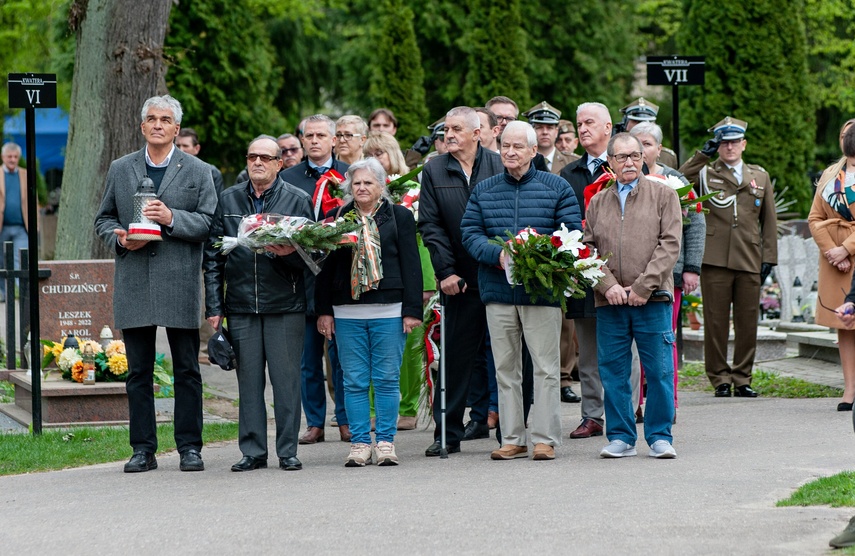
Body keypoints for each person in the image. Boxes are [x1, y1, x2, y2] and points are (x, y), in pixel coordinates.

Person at [94, 95, 217, 473]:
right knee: (138, 372)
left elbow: (208, 224)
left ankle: (190, 447)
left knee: (186, 370)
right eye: (152, 119)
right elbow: (103, 219)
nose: (158, 124)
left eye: (166, 119)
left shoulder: (199, 171)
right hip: (135, 280)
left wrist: (170, 217)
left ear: (177, 129)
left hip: (179, 282)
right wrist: (117, 237)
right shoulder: (121, 167)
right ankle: (143, 449)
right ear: (143, 127)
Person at [461, 121, 582, 461]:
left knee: (545, 367)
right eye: (505, 146)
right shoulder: (484, 190)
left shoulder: (556, 187)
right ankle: (512, 437)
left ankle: (544, 438)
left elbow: (570, 233)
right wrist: (496, 254)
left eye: (518, 147)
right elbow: (470, 232)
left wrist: (537, 252)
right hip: (498, 291)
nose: (510, 152)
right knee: (505, 368)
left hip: (541, 293)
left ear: (533, 150)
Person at [204, 135, 312, 471]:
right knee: (248, 382)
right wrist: (214, 306)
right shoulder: (229, 199)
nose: (258, 163)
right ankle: (252, 451)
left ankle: (287, 450)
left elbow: (314, 258)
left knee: (286, 381)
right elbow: (212, 255)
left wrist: (290, 253)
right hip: (240, 305)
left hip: (284, 303)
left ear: (280, 163)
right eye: (252, 157)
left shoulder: (298, 199)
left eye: (266, 158)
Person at [315, 158, 423, 466]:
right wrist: (324, 310)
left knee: (387, 379)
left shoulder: (399, 216)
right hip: (346, 310)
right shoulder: (337, 217)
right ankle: (361, 443)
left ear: (381, 186)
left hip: (390, 308)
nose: (362, 188)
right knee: (354, 380)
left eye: (368, 183)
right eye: (356, 183)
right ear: (349, 187)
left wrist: (412, 310)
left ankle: (386, 442)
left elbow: (411, 263)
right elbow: (325, 268)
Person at [584, 132, 682, 459]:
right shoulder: (598, 201)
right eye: (622, 157)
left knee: (658, 371)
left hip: (651, 300)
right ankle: (622, 437)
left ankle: (659, 436)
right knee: (613, 371)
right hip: (610, 302)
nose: (630, 162)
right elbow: (587, 249)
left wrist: (643, 286)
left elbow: (670, 244)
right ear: (609, 162)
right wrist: (607, 284)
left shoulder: (663, 195)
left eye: (635, 156)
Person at [418, 106, 503, 456]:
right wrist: (445, 271)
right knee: (455, 359)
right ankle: (447, 433)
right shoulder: (435, 168)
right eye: (445, 129)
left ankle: (510, 432)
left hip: (500, 276)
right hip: (459, 279)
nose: (449, 135)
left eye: (456, 129)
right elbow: (431, 226)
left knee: (506, 358)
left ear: (477, 133)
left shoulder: (499, 165)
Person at [680, 117, 777, 398]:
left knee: (748, 321)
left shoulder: (760, 176)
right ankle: (720, 377)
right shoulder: (705, 173)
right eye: (724, 143)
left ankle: (743, 377)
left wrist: (769, 256)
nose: (730, 147)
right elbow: (677, 181)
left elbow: (769, 221)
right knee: (715, 320)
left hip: (749, 256)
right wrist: (702, 155)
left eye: (735, 142)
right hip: (715, 257)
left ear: (744, 144)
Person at [280, 114, 350, 444]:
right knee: (307, 358)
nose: (315, 141)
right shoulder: (289, 177)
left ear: (334, 140)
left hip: (341, 277)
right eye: (309, 135)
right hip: (301, 276)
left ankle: (347, 419)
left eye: (322, 135)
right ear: (302, 140)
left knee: (342, 357)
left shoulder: (350, 176)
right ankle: (315, 422)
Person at [363, 130, 437, 430]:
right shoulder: (361, 191)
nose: (375, 160)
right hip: (371, 279)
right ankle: (372, 409)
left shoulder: (411, 190)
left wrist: (424, 283)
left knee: (406, 348)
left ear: (393, 156)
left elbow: (422, 242)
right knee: (369, 348)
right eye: (369, 155)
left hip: (410, 278)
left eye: (380, 154)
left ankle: (406, 408)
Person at [631, 121, 706, 415]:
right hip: (630, 276)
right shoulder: (621, 180)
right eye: (636, 144)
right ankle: (633, 403)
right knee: (633, 346)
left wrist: (692, 268)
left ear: (659, 149)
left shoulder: (675, 180)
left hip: (668, 276)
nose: (641, 150)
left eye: (647, 144)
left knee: (664, 341)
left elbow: (696, 225)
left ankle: (668, 403)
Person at [558, 102, 613, 438]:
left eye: (589, 122)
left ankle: (625, 409)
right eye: (579, 124)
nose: (582, 129)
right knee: (589, 352)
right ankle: (592, 415)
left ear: (608, 127)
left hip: (622, 272)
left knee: (624, 349)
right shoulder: (569, 174)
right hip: (583, 274)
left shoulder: (626, 164)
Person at [809, 119, 855, 411]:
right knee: (845, 325)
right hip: (836, 262)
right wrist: (832, 251)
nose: (846, 137)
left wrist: (847, 247)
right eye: (844, 133)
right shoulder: (830, 174)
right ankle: (849, 389)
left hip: (850, 250)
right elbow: (814, 218)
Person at [0, 142, 28, 303]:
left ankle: (22, 293)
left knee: (20, 259)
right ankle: (2, 293)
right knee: (1, 261)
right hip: (2, 226)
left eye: (15, 156)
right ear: (3, 157)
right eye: (9, 156)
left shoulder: (24, 174)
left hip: (20, 227)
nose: (12, 159)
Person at [617, 97, 678, 168]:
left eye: (646, 122)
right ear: (626, 124)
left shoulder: (667, 157)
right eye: (636, 121)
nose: (642, 127)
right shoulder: (615, 153)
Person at [523, 101, 575, 174]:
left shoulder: (573, 162)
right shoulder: (522, 160)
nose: (545, 132)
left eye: (549, 128)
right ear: (531, 131)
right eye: (539, 127)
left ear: (556, 132)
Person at [175, 128, 224, 196]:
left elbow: (216, 203)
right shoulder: (166, 168)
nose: (181, 150)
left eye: (185, 146)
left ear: (196, 149)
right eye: (177, 146)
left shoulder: (212, 172)